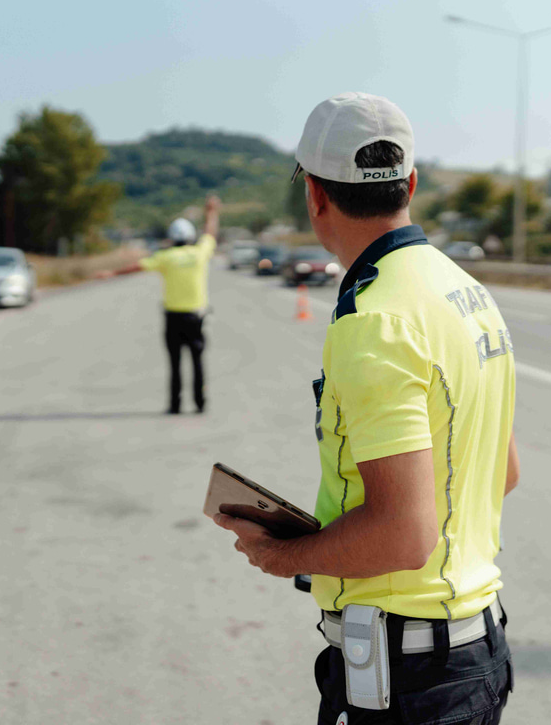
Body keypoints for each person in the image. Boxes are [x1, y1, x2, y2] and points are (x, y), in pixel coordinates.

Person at [214, 93, 520, 723]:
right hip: (473, 653)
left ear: (315, 196)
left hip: (408, 677)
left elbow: (403, 533)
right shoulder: (465, 290)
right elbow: (503, 471)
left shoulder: (374, 318)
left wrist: (285, 557)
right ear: (409, 183)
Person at [102, 194, 220, 414]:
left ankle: (175, 405)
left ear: (172, 237)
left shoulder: (165, 257)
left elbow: (138, 266)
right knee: (197, 361)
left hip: (173, 317)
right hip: (196, 317)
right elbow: (210, 233)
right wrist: (211, 212)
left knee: (175, 363)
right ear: (190, 236)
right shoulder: (199, 254)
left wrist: (112, 272)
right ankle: (200, 402)